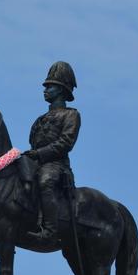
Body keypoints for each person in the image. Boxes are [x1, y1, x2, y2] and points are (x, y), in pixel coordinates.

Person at [22, 61, 81, 242]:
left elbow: (65, 143)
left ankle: (50, 230)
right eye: (46, 86)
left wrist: (39, 154)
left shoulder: (71, 115)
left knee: (45, 181)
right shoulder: (40, 119)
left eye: (50, 86)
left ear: (62, 90)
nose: (45, 89)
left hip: (56, 165)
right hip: (36, 162)